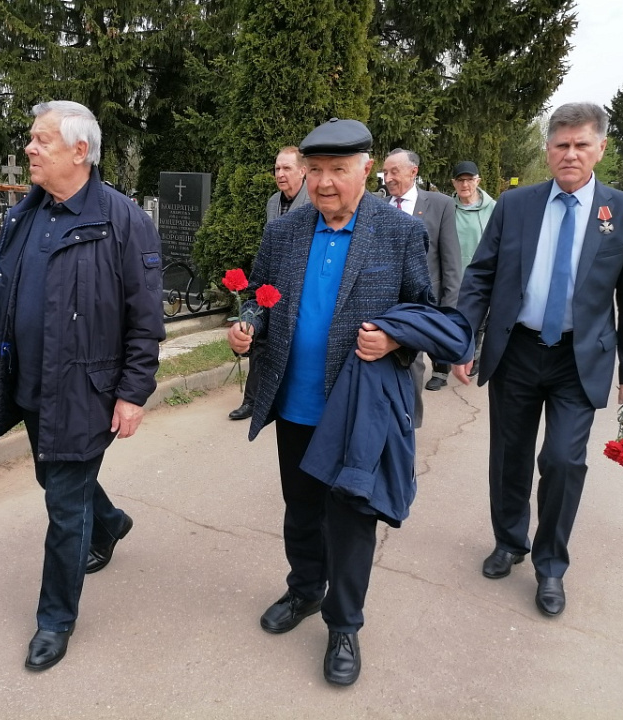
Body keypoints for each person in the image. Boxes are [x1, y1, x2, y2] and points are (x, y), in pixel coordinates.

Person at [227, 118, 436, 686]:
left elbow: (425, 310)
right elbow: (260, 297)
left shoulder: (398, 233)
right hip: (294, 403)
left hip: (356, 409)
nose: (323, 183)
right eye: (315, 170)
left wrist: (394, 339)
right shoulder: (285, 233)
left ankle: (344, 625)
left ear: (365, 170)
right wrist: (248, 325)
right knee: (300, 508)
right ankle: (304, 590)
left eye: (337, 170)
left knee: (350, 519)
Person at [0, 100, 165, 670]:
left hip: (86, 389)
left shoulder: (124, 220)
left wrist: (133, 393)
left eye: (41, 140)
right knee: (54, 478)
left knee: (63, 505)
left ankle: (55, 620)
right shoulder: (23, 216)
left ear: (80, 151)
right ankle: (111, 523)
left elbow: (146, 318)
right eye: (31, 138)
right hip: (29, 384)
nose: (29, 148)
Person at [452, 102, 623, 617]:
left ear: (600, 148)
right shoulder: (516, 205)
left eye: (581, 144)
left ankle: (551, 565)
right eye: (561, 144)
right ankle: (509, 541)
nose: (570, 154)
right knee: (509, 455)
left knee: (563, 461)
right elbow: (480, 275)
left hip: (578, 359)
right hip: (516, 350)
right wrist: (462, 338)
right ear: (548, 150)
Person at [229, 146, 309, 421]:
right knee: (258, 338)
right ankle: (252, 400)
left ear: (303, 171)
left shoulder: (312, 202)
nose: (280, 174)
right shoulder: (274, 201)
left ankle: (284, 397)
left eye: (287, 168)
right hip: (272, 283)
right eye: (277, 168)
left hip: (299, 285)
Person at [382, 149, 461, 406]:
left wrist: (448, 314)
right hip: (383, 303)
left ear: (413, 172)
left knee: (413, 365)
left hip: (420, 305)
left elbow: (451, 264)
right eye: (385, 172)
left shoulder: (440, 205)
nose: (388, 178)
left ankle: (410, 421)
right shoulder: (377, 205)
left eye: (394, 171)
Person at [450, 160, 496, 375]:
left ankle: (473, 357)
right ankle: (443, 367)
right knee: (450, 320)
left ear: (478, 181)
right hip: (453, 275)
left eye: (469, 179)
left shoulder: (494, 209)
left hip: (481, 277)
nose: (465, 184)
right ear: (453, 183)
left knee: (478, 322)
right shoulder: (447, 208)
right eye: (460, 180)